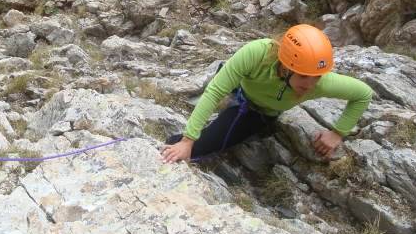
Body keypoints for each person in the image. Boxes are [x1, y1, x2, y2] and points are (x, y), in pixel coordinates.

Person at [160, 24, 373, 163]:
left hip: (258, 111)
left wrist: (337, 132)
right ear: (286, 66)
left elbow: (363, 94)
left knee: (200, 148)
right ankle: (227, 77)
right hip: (244, 85)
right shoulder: (256, 53)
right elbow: (215, 91)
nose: (310, 85)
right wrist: (187, 140)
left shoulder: (321, 83)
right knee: (188, 140)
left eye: (316, 76)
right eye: (304, 76)